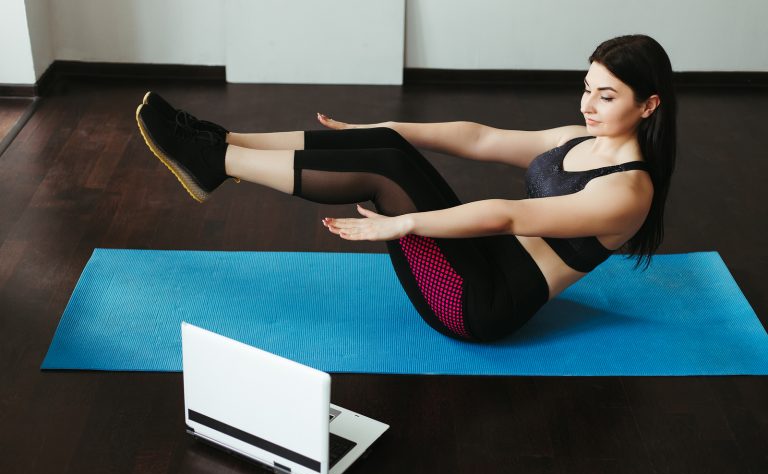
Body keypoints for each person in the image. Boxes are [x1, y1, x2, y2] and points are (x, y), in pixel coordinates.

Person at [135, 34, 676, 343]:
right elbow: (481, 138)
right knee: (388, 148)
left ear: (649, 105)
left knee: (386, 171)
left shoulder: (628, 192)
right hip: (476, 260)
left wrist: (404, 223)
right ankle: (222, 141)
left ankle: (214, 161)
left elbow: (509, 215)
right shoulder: (577, 137)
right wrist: (385, 127)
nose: (587, 105)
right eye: (586, 88)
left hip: (477, 303)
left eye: (606, 97)